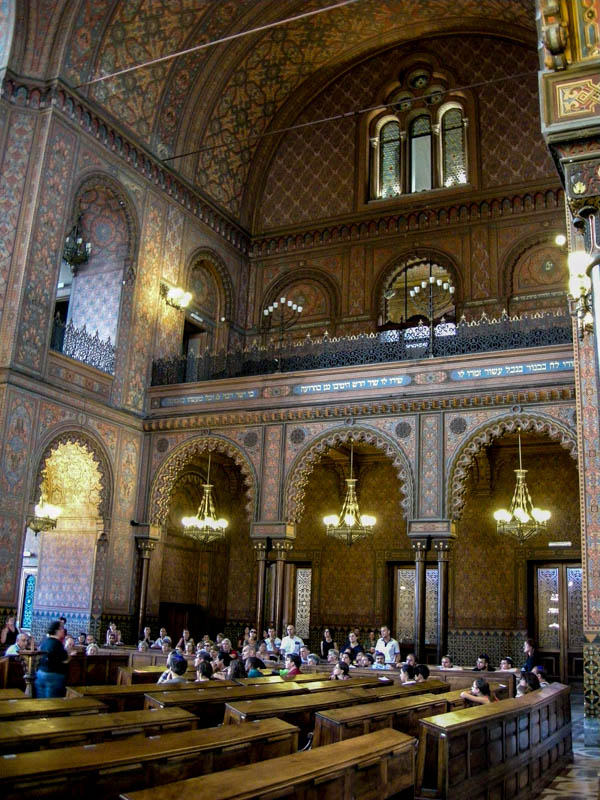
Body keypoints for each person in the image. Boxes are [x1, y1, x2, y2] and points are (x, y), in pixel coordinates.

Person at [36, 620, 70, 697]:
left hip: (40, 673)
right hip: (53, 676)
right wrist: (69, 653)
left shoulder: (44, 642)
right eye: (62, 628)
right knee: (53, 703)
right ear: (56, 631)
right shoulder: (57, 644)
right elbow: (65, 660)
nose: (63, 630)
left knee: (41, 702)